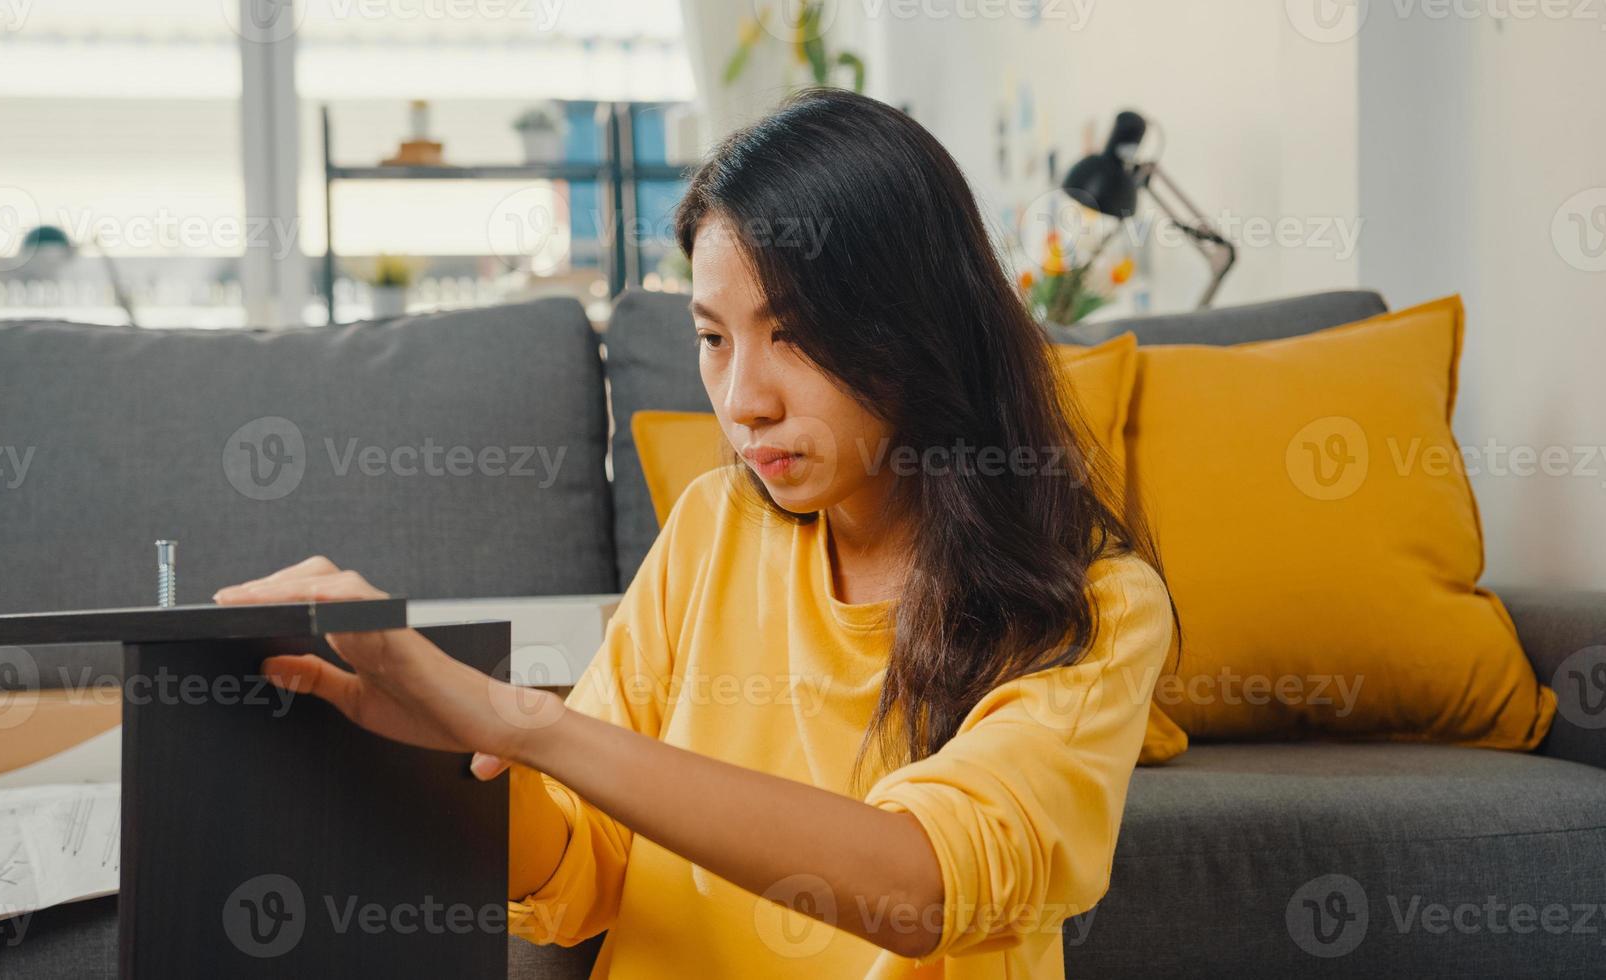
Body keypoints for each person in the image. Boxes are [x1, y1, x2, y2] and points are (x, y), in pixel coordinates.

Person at [215, 87, 1177, 978]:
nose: (742, 401)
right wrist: (434, 751)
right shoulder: (715, 527)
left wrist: (521, 719)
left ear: (921, 327)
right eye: (714, 339)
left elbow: (921, 887)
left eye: (793, 334)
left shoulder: (1095, 605)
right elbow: (581, 864)